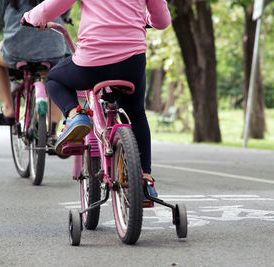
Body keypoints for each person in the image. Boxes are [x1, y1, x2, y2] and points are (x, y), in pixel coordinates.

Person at [23, 0, 171, 200]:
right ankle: (146, 180)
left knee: (55, 79)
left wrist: (30, 18)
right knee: (136, 114)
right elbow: (161, 21)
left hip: (92, 63)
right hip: (131, 63)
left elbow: (52, 7)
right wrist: (145, 20)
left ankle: (76, 115)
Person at [0, 0, 68, 127]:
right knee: (54, 79)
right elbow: (64, 11)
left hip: (16, 50)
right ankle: (53, 128)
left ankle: (8, 108)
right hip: (52, 50)